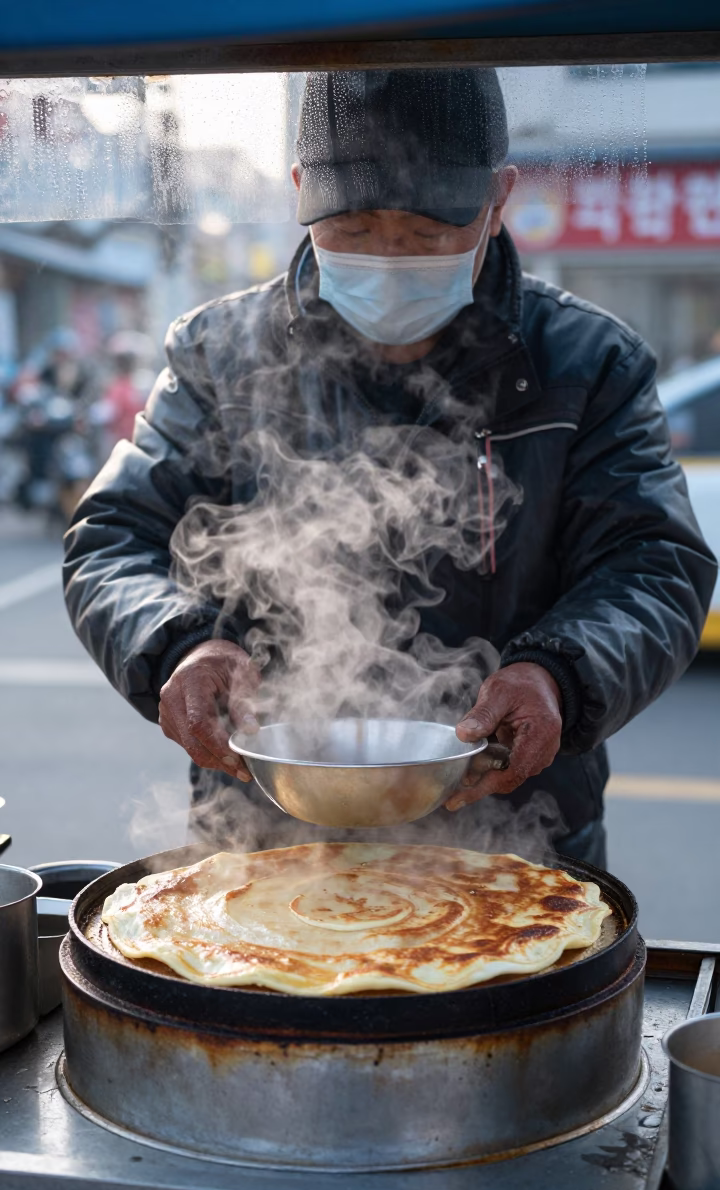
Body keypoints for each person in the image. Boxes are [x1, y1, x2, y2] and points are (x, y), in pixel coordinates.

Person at [63, 69, 716, 869]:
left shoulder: (589, 363)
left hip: (520, 843)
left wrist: (558, 675)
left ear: (497, 200)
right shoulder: (216, 356)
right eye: (355, 228)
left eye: (426, 235)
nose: (388, 258)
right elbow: (111, 539)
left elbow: (656, 564)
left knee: (514, 985)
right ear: (301, 190)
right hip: (266, 839)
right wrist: (176, 647)